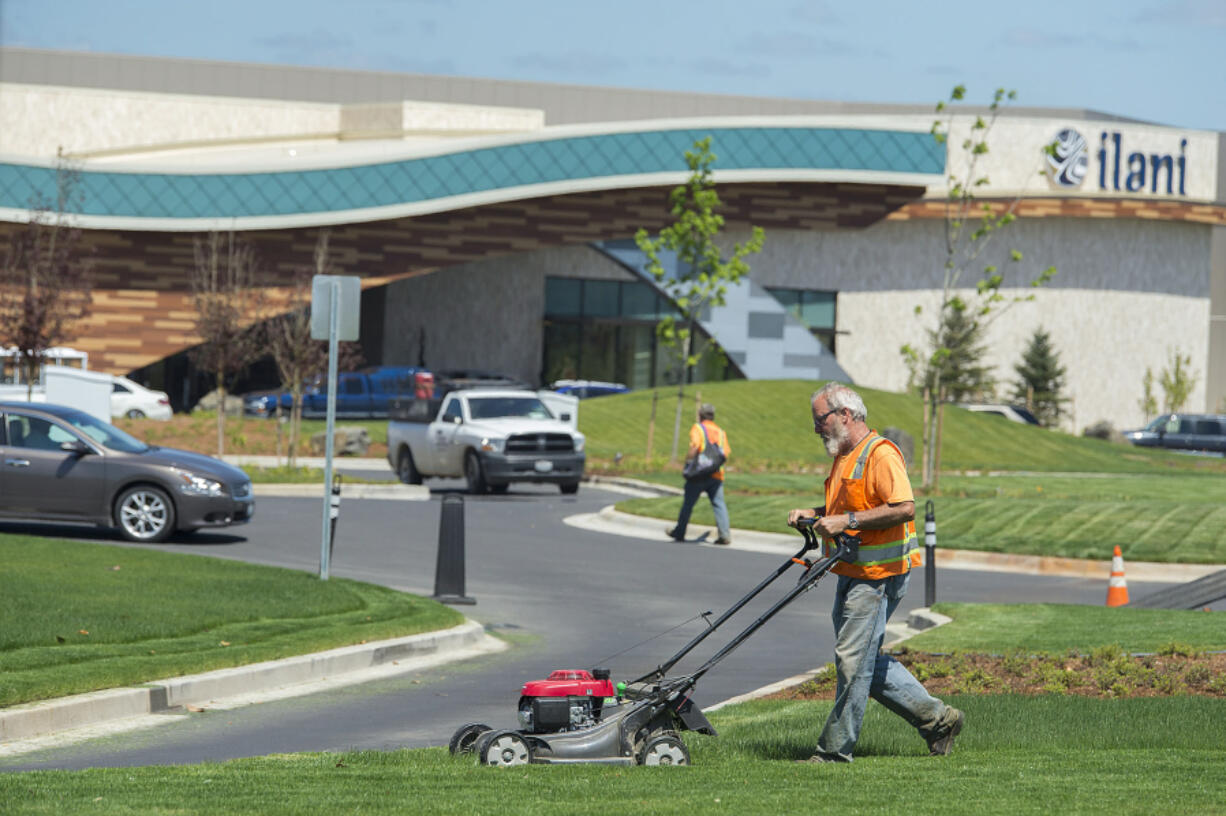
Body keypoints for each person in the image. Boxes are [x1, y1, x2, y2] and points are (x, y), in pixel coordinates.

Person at [788, 382, 963, 763]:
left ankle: (834, 753)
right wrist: (815, 515)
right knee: (863, 658)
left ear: (844, 415)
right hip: (853, 570)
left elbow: (904, 507)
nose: (816, 428)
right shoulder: (844, 455)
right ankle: (939, 721)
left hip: (878, 576)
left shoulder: (880, 454)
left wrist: (846, 519)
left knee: (853, 661)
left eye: (820, 419)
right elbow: (849, 508)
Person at [666, 402, 732, 545]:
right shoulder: (721, 432)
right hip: (716, 475)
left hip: (698, 474)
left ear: (700, 415)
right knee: (719, 504)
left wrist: (688, 465)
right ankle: (725, 534)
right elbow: (726, 453)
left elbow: (695, 447)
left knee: (688, 504)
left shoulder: (699, 428)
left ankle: (680, 532)